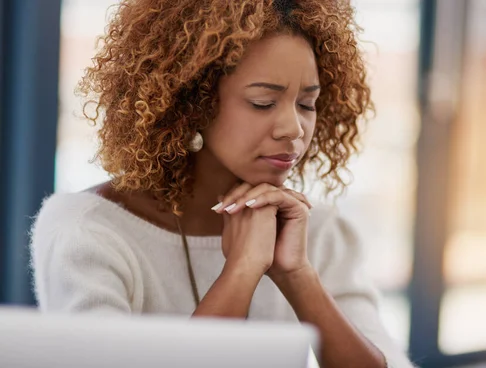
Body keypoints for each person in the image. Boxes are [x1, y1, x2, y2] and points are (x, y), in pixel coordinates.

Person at [30, 1, 414, 367]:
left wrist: (297, 276)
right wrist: (242, 270)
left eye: (307, 104)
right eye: (263, 102)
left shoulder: (317, 229)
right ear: (190, 103)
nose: (294, 129)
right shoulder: (87, 233)